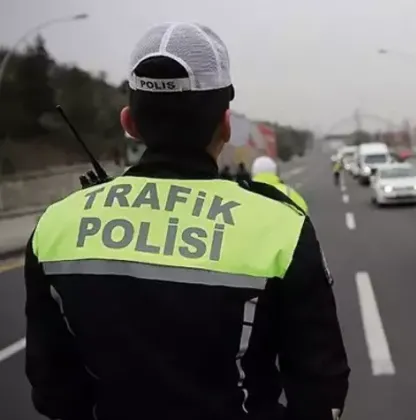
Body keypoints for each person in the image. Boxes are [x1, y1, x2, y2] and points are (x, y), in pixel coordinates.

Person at [25, 22, 349, 420]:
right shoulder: (282, 227)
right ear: (226, 124)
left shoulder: (56, 226)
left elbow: (53, 390)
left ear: (130, 123)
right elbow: (321, 389)